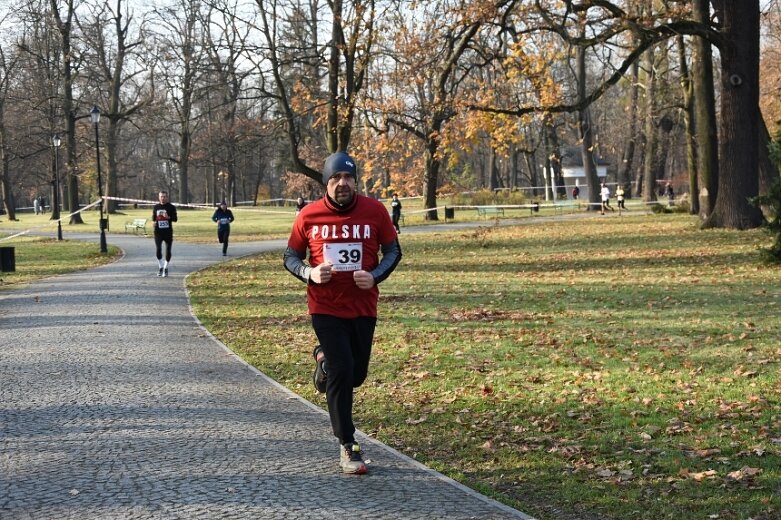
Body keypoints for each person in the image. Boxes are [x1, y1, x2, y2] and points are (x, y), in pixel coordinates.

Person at [283, 151, 402, 475]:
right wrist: (310, 273)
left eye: (348, 177)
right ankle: (348, 445)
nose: (342, 183)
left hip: (363, 306)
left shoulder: (375, 211)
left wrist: (374, 275)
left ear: (355, 181)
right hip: (326, 307)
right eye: (336, 178)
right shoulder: (308, 215)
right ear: (326, 182)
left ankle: (323, 359)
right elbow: (291, 257)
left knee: (356, 374)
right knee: (343, 369)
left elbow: (393, 251)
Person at [152, 191, 178, 277]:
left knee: (168, 250)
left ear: (167, 197)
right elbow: (153, 218)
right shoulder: (156, 207)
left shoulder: (171, 207)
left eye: (164, 197)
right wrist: (154, 223)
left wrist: (168, 217)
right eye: (161, 196)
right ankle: (161, 267)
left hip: (168, 232)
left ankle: (166, 268)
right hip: (158, 232)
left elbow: (175, 219)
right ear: (159, 197)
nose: (163, 198)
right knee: (158, 250)